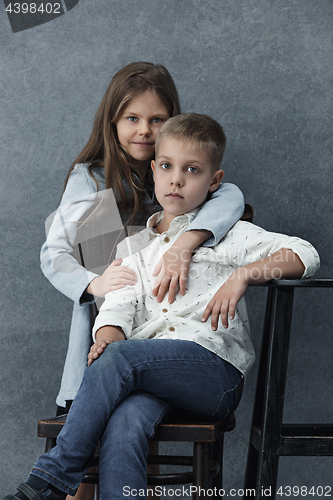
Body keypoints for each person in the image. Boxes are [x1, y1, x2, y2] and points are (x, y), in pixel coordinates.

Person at [6, 113, 320, 500]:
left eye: (192, 170)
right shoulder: (132, 250)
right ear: (154, 170)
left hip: (213, 377)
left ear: (214, 181)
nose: (177, 179)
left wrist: (244, 275)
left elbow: (305, 255)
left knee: (122, 360)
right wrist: (106, 339)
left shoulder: (229, 236)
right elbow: (115, 312)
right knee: (124, 420)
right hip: (149, 376)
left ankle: (51, 479)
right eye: (168, 167)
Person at [41, 62, 245, 417]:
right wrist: (94, 282)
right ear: (113, 122)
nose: (145, 131)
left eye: (157, 120)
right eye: (132, 118)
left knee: (136, 417)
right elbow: (54, 253)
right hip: (110, 316)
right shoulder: (92, 179)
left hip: (168, 329)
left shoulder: (178, 176)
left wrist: (184, 244)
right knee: (98, 421)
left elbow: (230, 195)